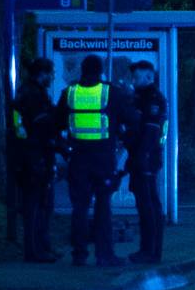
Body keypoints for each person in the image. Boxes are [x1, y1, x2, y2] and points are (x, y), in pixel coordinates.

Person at [59, 55, 123, 266]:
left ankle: (79, 254)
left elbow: (56, 121)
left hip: (78, 158)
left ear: (82, 69)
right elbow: (131, 118)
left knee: (79, 207)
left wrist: (64, 149)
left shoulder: (70, 92)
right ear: (101, 69)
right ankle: (104, 255)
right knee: (103, 206)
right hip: (103, 160)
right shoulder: (109, 92)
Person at [9, 58, 62, 263]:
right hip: (34, 155)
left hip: (28, 153)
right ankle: (34, 251)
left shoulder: (26, 92)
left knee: (39, 203)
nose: (53, 77)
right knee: (36, 204)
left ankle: (40, 247)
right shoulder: (34, 96)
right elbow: (43, 125)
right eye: (51, 73)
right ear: (42, 73)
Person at [124, 59, 169, 264]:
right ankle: (148, 250)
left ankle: (150, 251)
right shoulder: (140, 97)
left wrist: (141, 158)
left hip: (146, 159)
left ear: (149, 77)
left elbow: (150, 132)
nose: (133, 80)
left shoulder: (151, 99)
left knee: (148, 204)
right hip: (142, 157)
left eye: (137, 76)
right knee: (146, 204)